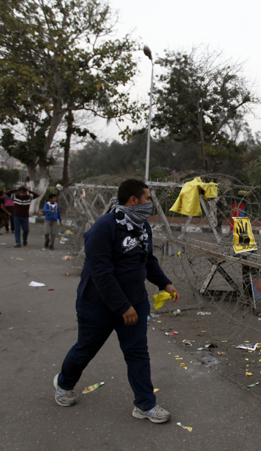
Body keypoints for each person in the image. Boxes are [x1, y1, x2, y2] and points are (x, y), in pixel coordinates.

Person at [54, 179, 179, 424]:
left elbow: (148, 259)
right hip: (98, 304)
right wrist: (122, 306)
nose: (150, 204)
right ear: (133, 200)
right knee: (85, 349)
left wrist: (165, 283)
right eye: (147, 199)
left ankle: (145, 404)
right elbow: (101, 273)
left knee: (137, 353)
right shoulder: (104, 227)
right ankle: (64, 383)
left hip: (135, 302)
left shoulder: (142, 227)